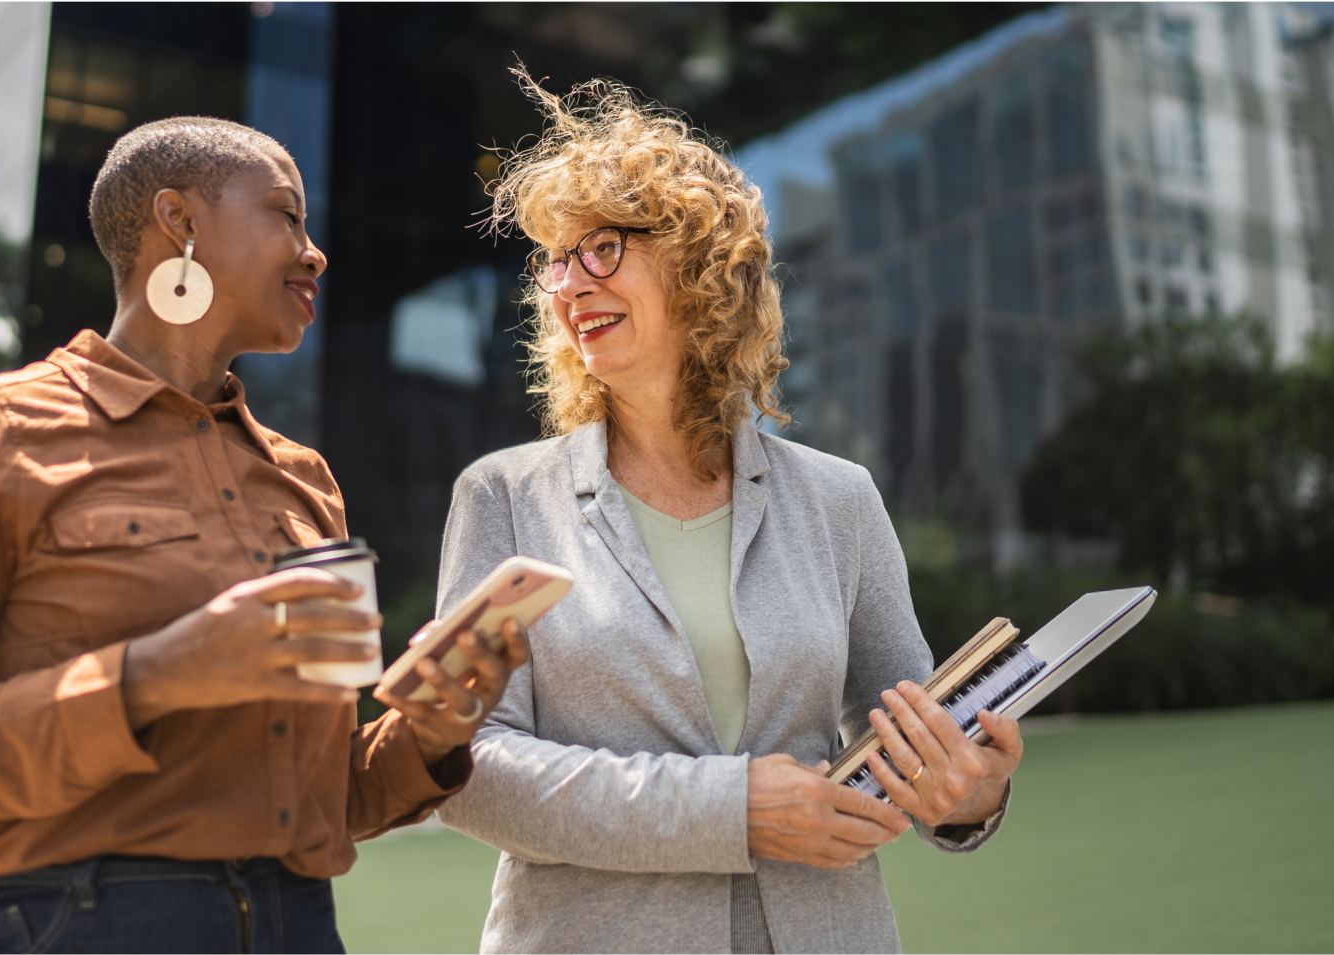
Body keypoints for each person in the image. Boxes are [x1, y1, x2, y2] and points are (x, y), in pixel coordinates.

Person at [0, 116, 527, 955]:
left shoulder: (306, 481)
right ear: (181, 221)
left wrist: (431, 732)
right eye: (286, 215)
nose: (315, 251)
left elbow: (319, 801)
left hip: (295, 925)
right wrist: (154, 674)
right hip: (61, 923)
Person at [434, 77, 1025, 955]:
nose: (566, 284)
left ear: (697, 262)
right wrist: (732, 808)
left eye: (599, 248)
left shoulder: (840, 500)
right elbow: (465, 765)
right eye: (554, 260)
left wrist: (969, 792)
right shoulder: (503, 498)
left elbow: (901, 733)